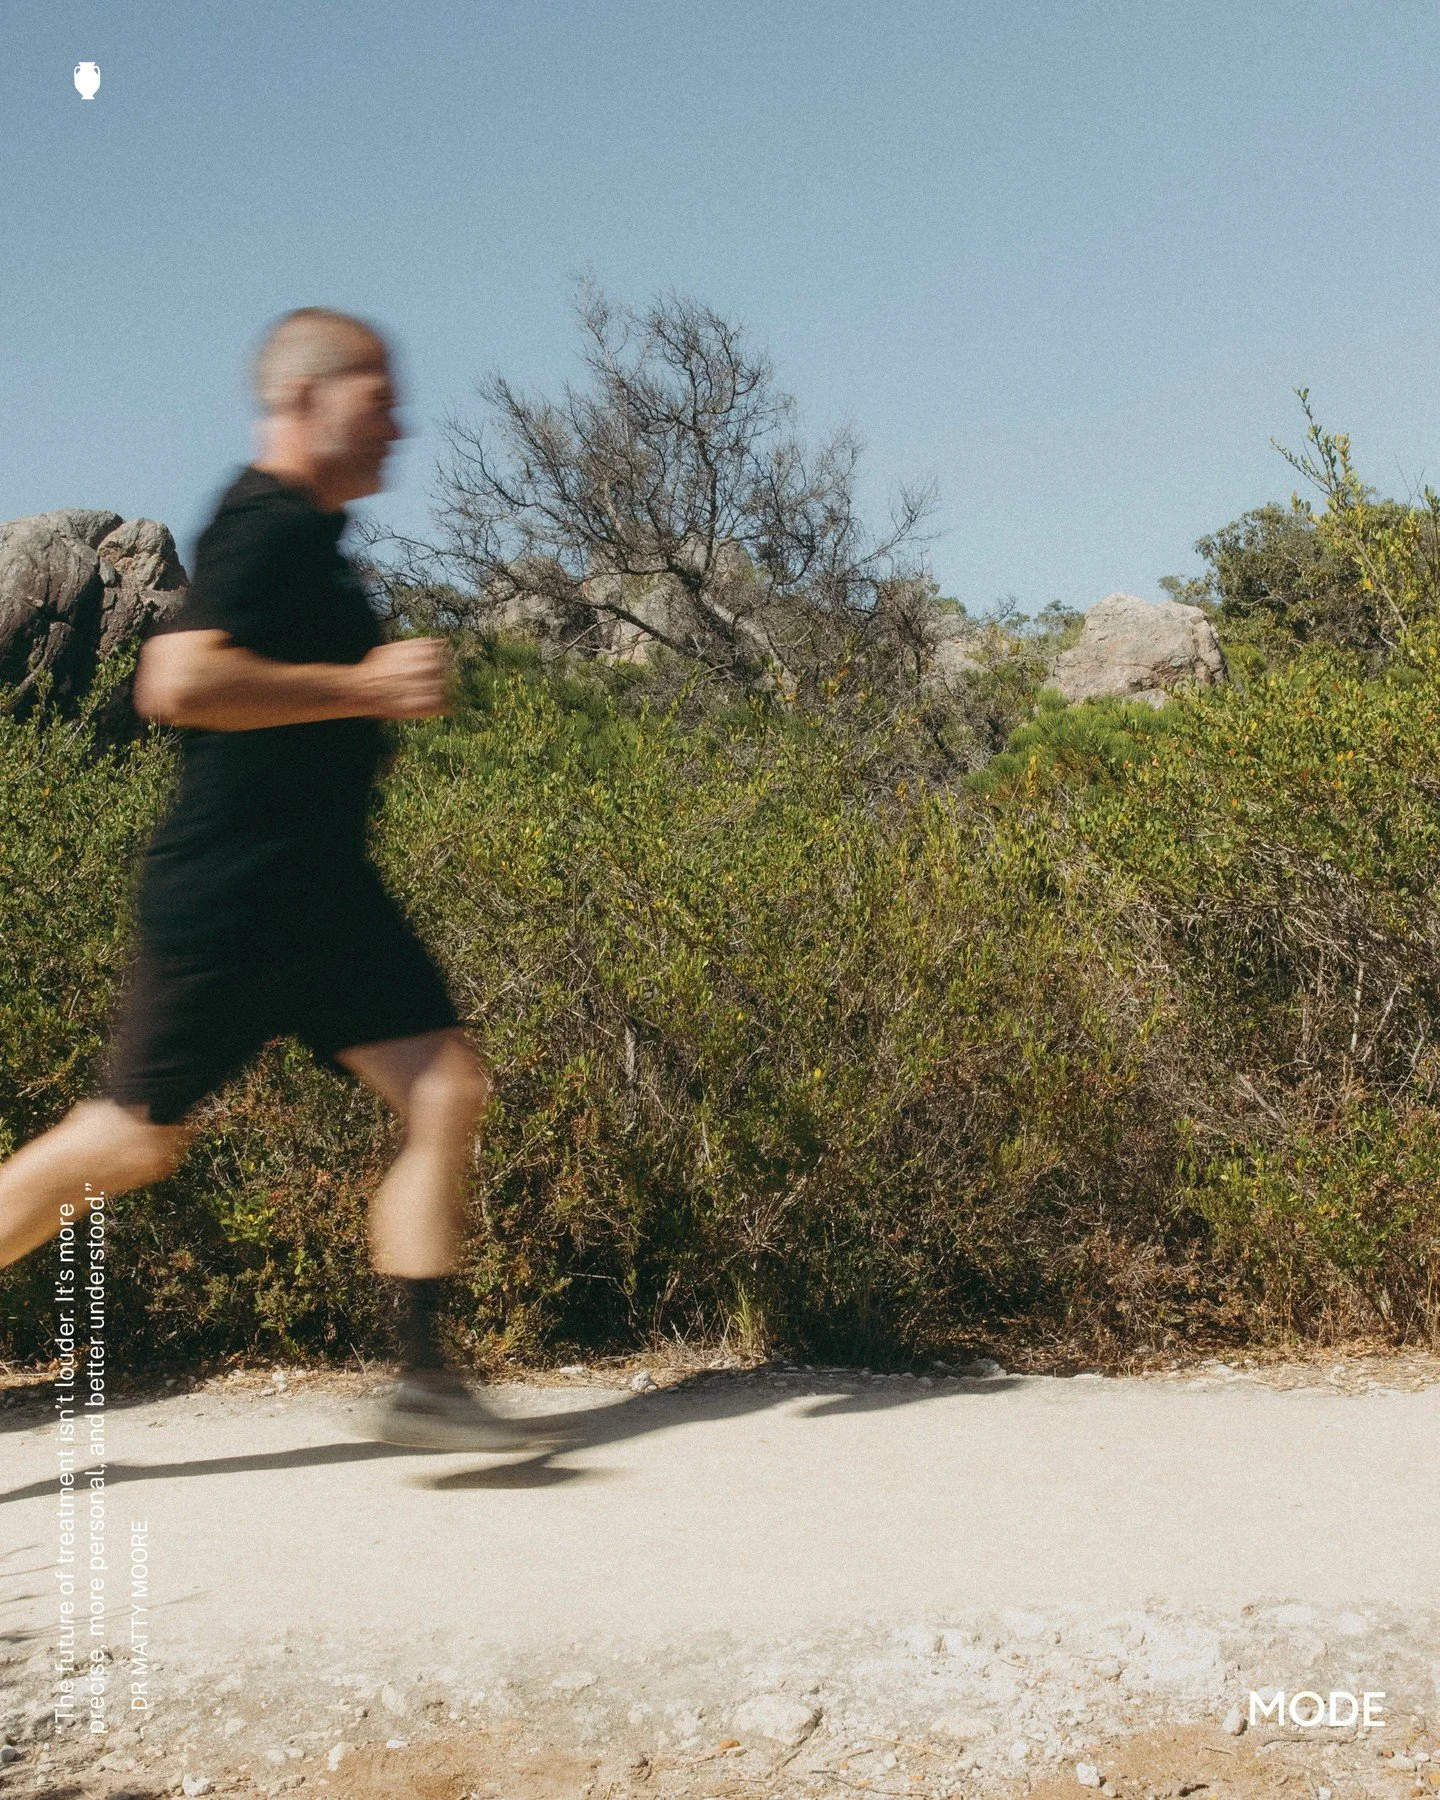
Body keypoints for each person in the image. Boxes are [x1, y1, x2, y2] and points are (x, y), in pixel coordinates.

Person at [0, 307, 538, 1453]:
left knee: (444, 1086)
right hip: (236, 898)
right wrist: (369, 688)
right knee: (125, 1143)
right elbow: (176, 682)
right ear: (307, 400)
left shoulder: (315, 536)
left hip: (323, 897)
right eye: (378, 398)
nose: (399, 424)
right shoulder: (262, 521)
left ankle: (425, 1385)